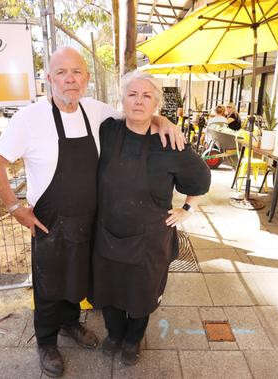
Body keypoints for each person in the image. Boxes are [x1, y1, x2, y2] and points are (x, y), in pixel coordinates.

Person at [0, 47, 184, 378]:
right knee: (49, 286)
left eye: (77, 72)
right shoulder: (29, 118)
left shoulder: (97, 111)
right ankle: (46, 342)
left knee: (79, 278)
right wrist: (14, 207)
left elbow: (137, 112)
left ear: (87, 78)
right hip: (50, 221)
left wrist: (163, 120)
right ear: (49, 79)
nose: (70, 79)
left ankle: (69, 325)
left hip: (91, 220)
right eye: (61, 73)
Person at [90, 71, 211, 366]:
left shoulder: (170, 143)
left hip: (149, 240)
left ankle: (132, 339)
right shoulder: (107, 131)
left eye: (146, 96)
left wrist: (187, 209)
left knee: (142, 294)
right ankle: (114, 334)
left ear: (156, 102)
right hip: (107, 232)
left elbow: (201, 179)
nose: (139, 101)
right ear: (122, 99)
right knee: (109, 288)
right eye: (132, 94)